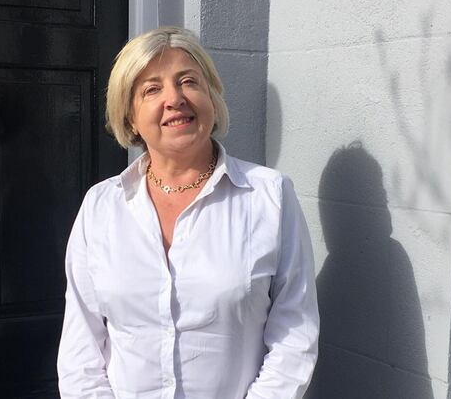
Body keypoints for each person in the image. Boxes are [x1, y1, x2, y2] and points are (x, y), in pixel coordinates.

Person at [57, 26, 319, 398]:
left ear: (212, 97)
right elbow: (80, 345)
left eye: (189, 82)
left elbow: (295, 331)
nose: (174, 98)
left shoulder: (270, 196)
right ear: (130, 117)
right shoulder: (101, 207)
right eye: (152, 89)